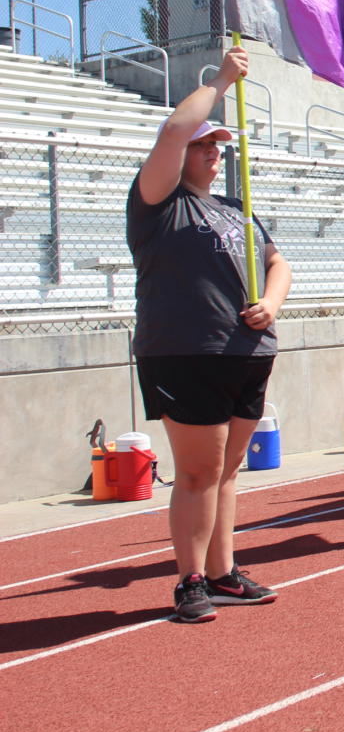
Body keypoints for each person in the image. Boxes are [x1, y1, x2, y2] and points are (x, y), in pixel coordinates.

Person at [128, 43, 292, 622]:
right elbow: (174, 129)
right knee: (198, 471)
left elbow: (279, 263)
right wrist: (222, 80)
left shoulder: (234, 207)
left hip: (244, 352)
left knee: (227, 470)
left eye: (217, 147)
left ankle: (223, 571)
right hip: (185, 350)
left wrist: (270, 304)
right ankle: (190, 579)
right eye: (205, 146)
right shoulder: (158, 203)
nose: (212, 155)